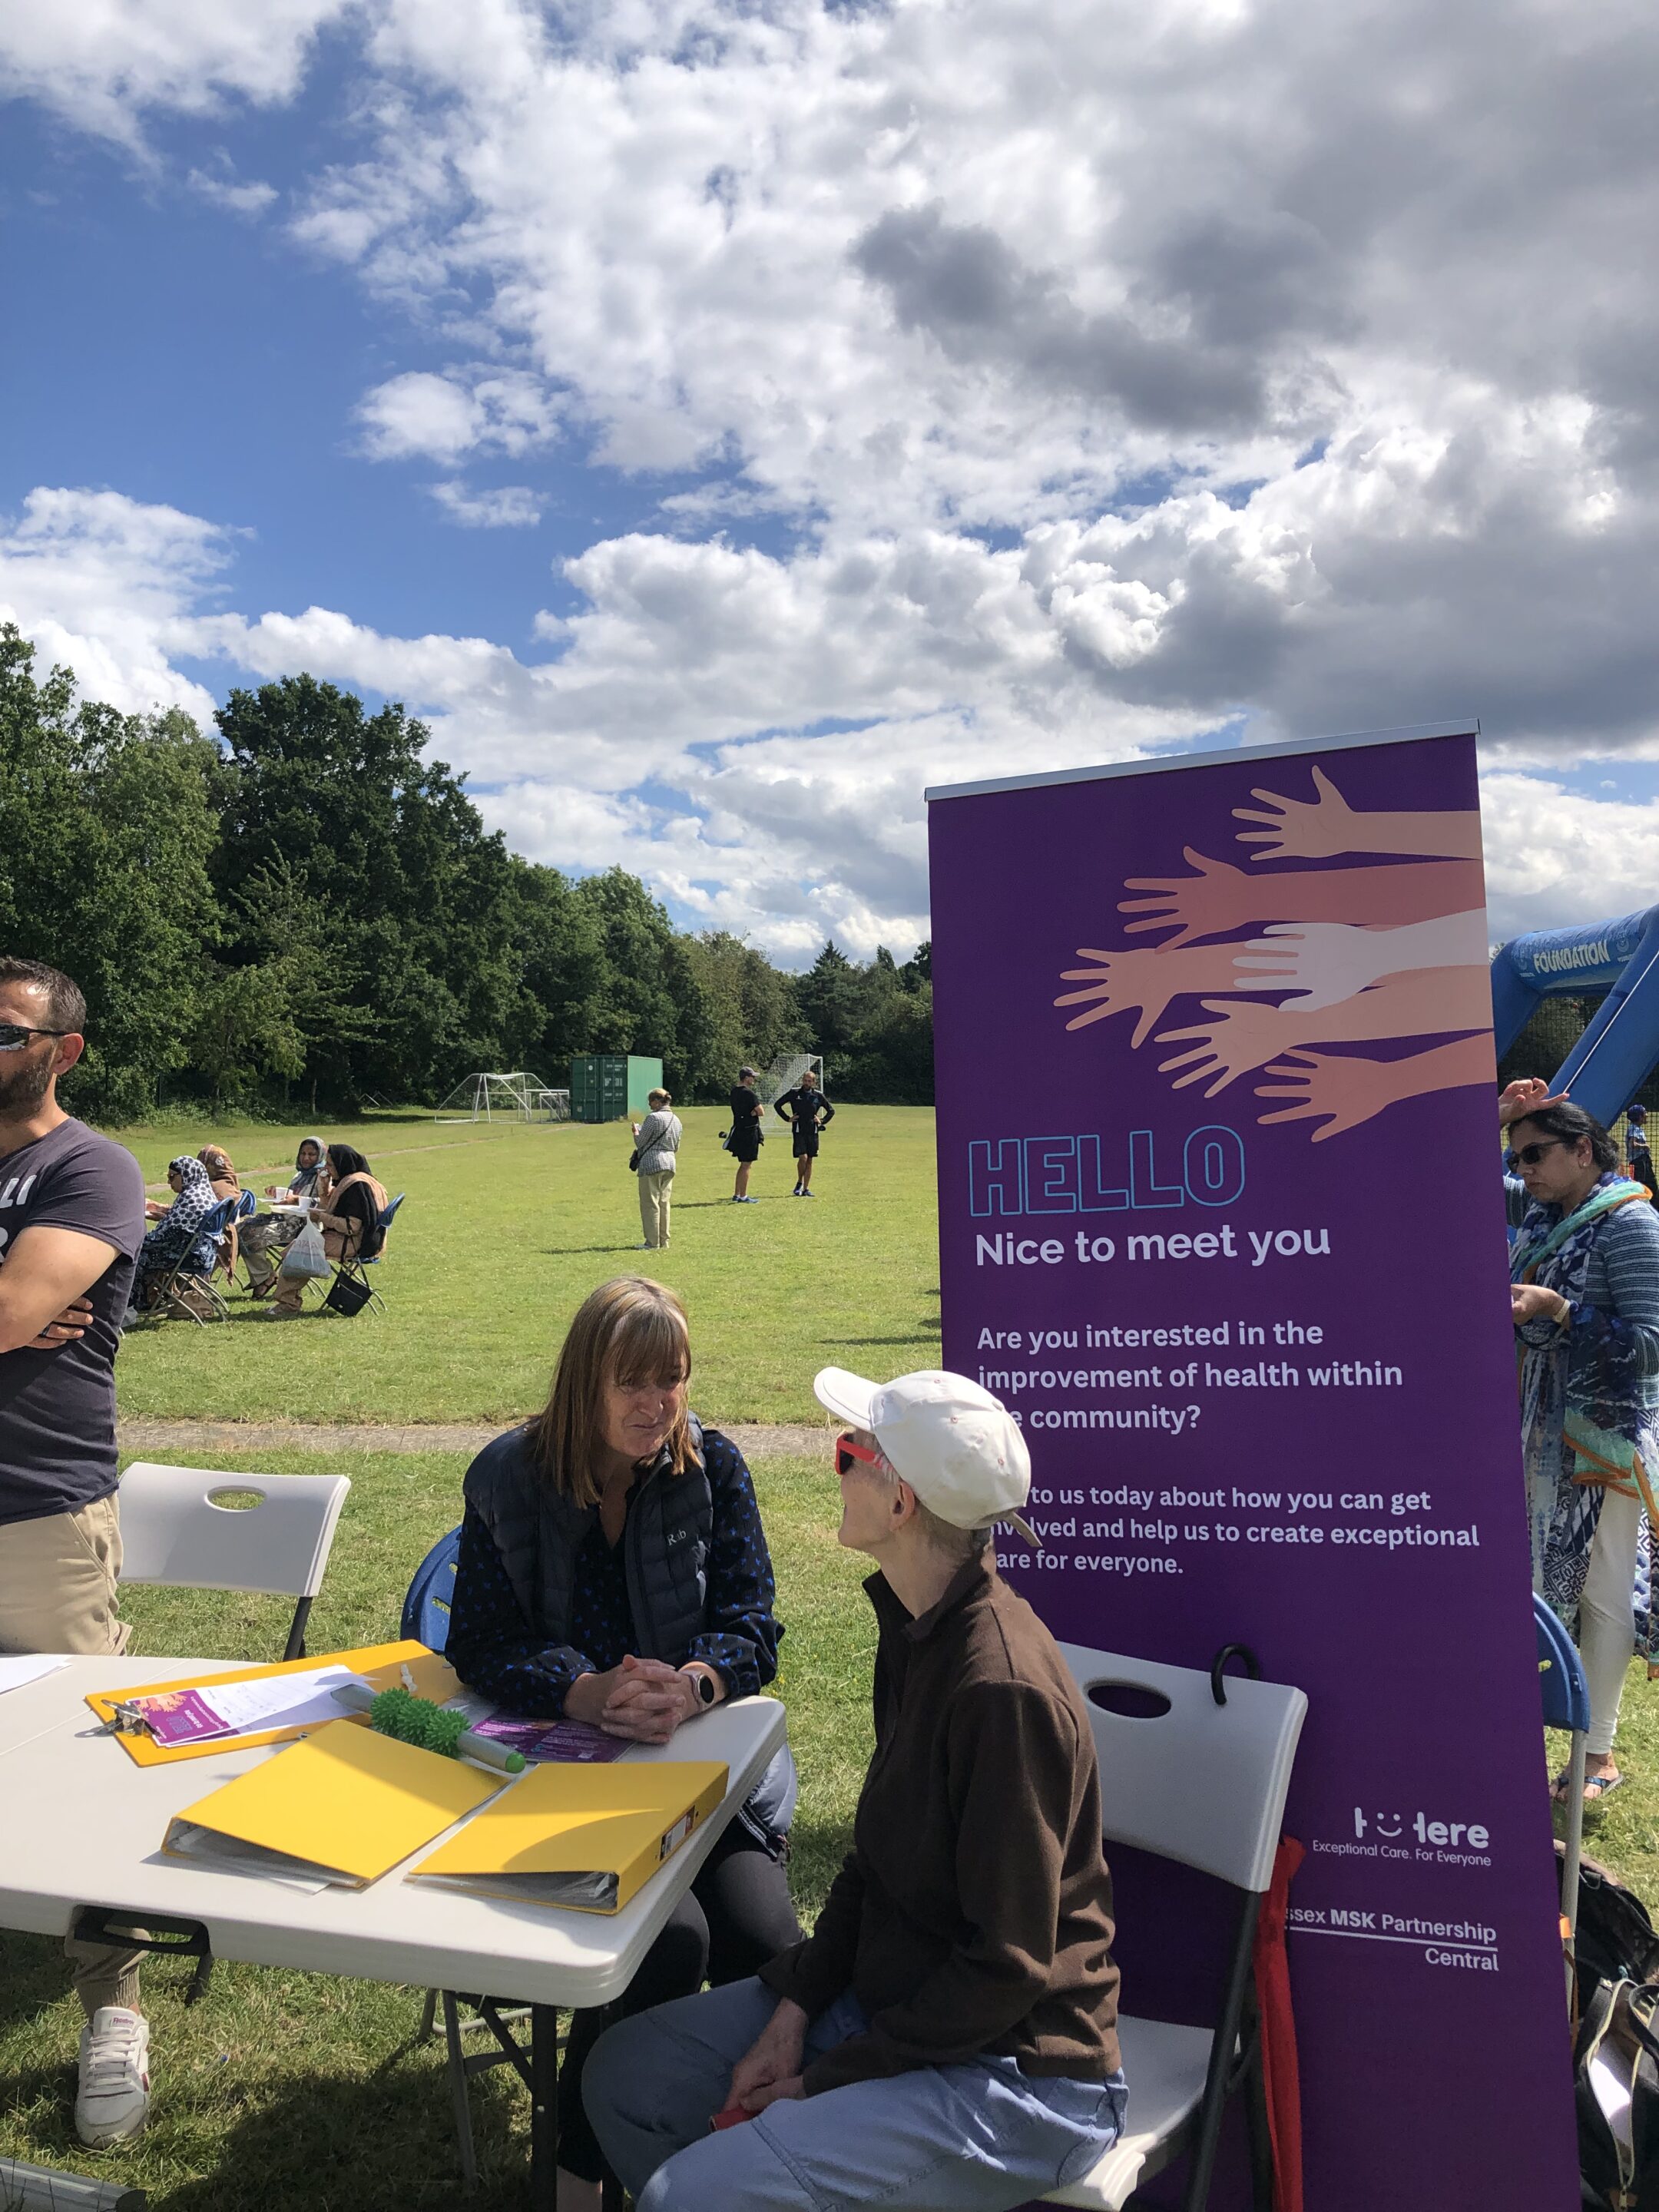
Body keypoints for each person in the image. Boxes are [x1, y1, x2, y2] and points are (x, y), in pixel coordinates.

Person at [584, 1366, 1126, 2212]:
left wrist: (831, 2077)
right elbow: (875, 1863)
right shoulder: (918, 1630)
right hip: (902, 2010)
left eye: (847, 1453)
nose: (832, 1467)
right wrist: (800, 2001)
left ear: (901, 1502)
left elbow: (1007, 1968)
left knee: (686, 2195)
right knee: (628, 2076)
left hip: (1019, 2077)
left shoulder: (1000, 1693)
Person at [446, 1277, 800, 2211]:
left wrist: (690, 1686)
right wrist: (585, 1688)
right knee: (667, 1944)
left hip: (702, 1776)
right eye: (633, 1383)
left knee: (771, 1943)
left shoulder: (711, 1470)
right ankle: (579, 2174)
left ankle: (740, 2151)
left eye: (672, 1381)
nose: (656, 1406)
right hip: (562, 1784)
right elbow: (477, 1645)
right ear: (583, 1383)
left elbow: (753, 1627)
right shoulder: (507, 1479)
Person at [0, 958, 151, 2147]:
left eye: (5, 1031)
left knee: (83, 1760)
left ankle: (115, 2005)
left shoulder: (85, 1166)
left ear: (64, 1049)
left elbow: (17, 1315)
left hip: (36, 1516)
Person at [1502, 1078, 1659, 1801]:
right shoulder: (1543, 1213)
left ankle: (1596, 1755)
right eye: (1517, 1156)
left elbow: (1653, 1344)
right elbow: (1444, 1181)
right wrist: (1499, 1120)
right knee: (1538, 1585)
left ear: (1583, 1151)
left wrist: (1562, 1311)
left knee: (1601, 1595)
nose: (1523, 1169)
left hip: (1603, 1436)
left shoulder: (1628, 1225)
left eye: (1535, 1154)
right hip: (1540, 1424)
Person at [263, 1142, 387, 1319]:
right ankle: (287, 1299)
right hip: (365, 1240)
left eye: (329, 1165)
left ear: (341, 1164)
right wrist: (324, 1188)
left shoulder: (355, 1186)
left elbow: (351, 1226)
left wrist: (321, 1218)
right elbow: (333, 1207)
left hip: (354, 1243)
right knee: (297, 1246)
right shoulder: (361, 1179)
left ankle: (287, 1304)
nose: (326, 1169)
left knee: (297, 1251)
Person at [128, 1155, 220, 1317]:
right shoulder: (201, 1192)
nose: (169, 1182)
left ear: (186, 1175)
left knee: (133, 1255)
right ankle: (148, 1299)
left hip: (189, 1257)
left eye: (172, 1177)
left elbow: (166, 1236)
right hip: (204, 1254)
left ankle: (134, 1304)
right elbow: (182, 1223)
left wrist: (135, 1242)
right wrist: (161, 1213)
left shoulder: (191, 1199)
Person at [240, 1134, 327, 1297]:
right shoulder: (300, 1175)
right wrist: (279, 1194)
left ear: (321, 1156)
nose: (306, 1158)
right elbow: (292, 1197)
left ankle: (264, 1279)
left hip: (304, 1227)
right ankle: (265, 1275)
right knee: (242, 1227)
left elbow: (325, 1204)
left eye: (311, 1154)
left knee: (251, 1233)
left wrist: (296, 1199)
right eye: (303, 1154)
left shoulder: (324, 1177)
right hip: (286, 1220)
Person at [631, 1088, 682, 1250]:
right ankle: (664, 1240)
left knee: (650, 1203)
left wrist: (635, 1132)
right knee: (664, 1203)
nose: (650, 1105)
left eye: (651, 1102)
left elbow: (640, 1142)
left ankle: (652, 1242)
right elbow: (676, 1146)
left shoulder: (653, 1118)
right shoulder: (676, 1120)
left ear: (658, 1102)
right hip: (670, 1163)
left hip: (652, 1163)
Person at [775, 1068, 834, 1197]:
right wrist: (788, 1118)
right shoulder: (794, 1093)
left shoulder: (818, 1096)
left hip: (813, 1131)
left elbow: (831, 1111)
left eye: (809, 1081)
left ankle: (806, 1189)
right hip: (799, 1130)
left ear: (813, 1083)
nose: (806, 1083)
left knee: (810, 1160)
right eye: (805, 1080)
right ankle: (799, 1182)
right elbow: (777, 1105)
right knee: (803, 1158)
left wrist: (822, 1121)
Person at [727, 1066, 764, 1203]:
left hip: (739, 1130)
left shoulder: (734, 1092)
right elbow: (761, 1111)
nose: (754, 1079)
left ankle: (737, 1194)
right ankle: (743, 1196)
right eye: (752, 1076)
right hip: (749, 1131)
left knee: (743, 1164)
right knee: (747, 1164)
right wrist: (753, 1112)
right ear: (746, 1078)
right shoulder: (749, 1093)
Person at [1628, 1105, 1657, 1200]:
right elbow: (1632, 1144)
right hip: (1639, 1162)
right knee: (1646, 1185)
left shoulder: (1637, 1128)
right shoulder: (1634, 1129)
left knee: (1650, 1185)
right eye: (1645, 1114)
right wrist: (1644, 1146)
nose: (1647, 1116)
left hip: (1643, 1161)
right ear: (1640, 1117)